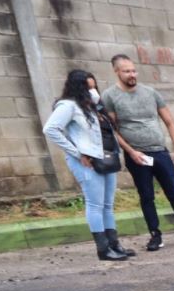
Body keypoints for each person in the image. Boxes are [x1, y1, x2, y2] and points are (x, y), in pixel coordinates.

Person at [102, 54, 174, 251]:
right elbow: (114, 130)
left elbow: (170, 121)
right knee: (147, 196)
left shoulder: (150, 93)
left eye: (133, 70)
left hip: (160, 153)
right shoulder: (109, 96)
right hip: (137, 156)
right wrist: (131, 152)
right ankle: (155, 235)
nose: (132, 74)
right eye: (127, 71)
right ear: (116, 72)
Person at [44, 69, 129, 261]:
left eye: (94, 87)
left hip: (106, 158)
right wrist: (77, 153)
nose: (93, 92)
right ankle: (103, 249)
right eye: (88, 88)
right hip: (87, 162)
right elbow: (51, 129)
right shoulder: (69, 106)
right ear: (78, 88)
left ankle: (115, 245)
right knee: (95, 204)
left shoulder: (94, 108)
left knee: (108, 205)